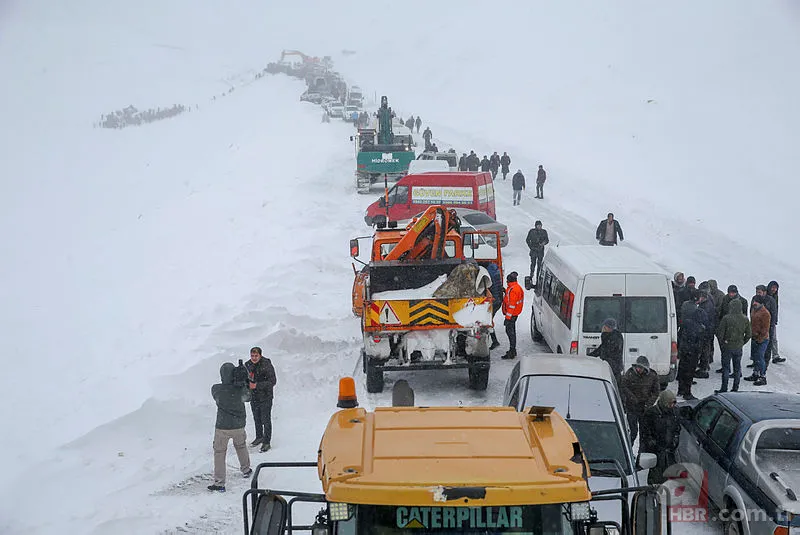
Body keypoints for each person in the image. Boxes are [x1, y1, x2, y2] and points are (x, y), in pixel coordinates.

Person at [208, 362, 252, 492]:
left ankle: (219, 483)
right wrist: (244, 382)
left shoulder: (216, 389)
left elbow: (217, 396)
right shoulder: (240, 390)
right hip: (238, 425)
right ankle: (246, 469)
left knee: (219, 453)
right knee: (241, 446)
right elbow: (248, 397)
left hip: (222, 427)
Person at [640, 390, 680, 484]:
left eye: (673, 403)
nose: (671, 406)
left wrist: (675, 438)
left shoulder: (675, 412)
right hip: (656, 450)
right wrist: (651, 442)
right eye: (669, 403)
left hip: (670, 449)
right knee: (656, 474)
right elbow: (645, 430)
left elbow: (677, 427)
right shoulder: (651, 413)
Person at [244, 347, 277, 452]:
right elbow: (245, 379)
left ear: (260, 355)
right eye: (252, 356)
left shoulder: (266, 365)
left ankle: (266, 442)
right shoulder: (247, 365)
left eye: (256, 356)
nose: (254, 358)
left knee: (266, 420)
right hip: (254, 397)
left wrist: (257, 385)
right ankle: (259, 437)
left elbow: (272, 381)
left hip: (265, 397)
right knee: (256, 418)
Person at [620, 356, 660, 443]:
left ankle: (642, 450)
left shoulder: (652, 376)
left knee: (644, 433)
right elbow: (624, 386)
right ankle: (628, 448)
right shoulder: (630, 373)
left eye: (641, 367)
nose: (638, 369)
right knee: (633, 432)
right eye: (637, 367)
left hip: (644, 409)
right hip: (632, 407)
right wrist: (631, 397)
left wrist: (648, 404)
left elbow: (656, 392)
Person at [714, 299, 751, 393]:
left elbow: (720, 333)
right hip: (738, 347)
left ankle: (724, 388)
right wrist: (742, 342)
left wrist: (723, 343)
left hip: (727, 346)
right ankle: (735, 388)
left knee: (726, 368)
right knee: (737, 368)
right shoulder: (745, 319)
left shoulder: (726, 318)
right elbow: (748, 334)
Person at [676, 293, 707, 400]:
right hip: (692, 353)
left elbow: (679, 335)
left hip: (684, 350)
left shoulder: (686, 323)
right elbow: (700, 343)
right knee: (689, 373)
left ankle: (680, 389)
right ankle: (687, 392)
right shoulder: (700, 328)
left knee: (682, 370)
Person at [588, 318, 624, 386]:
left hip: (613, 368)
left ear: (609, 327)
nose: (603, 328)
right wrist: (589, 356)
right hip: (611, 366)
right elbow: (600, 349)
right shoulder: (610, 336)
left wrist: (604, 334)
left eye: (604, 326)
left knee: (614, 385)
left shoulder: (614, 337)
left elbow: (607, 351)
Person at [745, 295, 771, 386]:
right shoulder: (754, 310)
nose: (754, 303)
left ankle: (763, 376)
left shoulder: (765, 313)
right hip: (754, 337)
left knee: (760, 357)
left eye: (757, 302)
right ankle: (755, 373)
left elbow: (765, 328)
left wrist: (760, 338)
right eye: (754, 301)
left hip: (762, 339)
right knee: (755, 357)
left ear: (761, 303)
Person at [752, 285, 778, 370]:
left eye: (759, 292)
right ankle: (756, 365)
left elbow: (773, 314)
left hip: (767, 327)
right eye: (757, 292)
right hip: (756, 328)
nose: (758, 294)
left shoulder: (771, 300)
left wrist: (770, 327)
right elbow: (751, 311)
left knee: (766, 348)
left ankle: (765, 365)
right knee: (755, 349)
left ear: (765, 292)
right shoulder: (755, 298)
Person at [501, 272, 524, 360]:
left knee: (510, 332)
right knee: (512, 332)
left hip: (512, 316)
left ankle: (512, 351)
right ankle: (513, 350)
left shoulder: (513, 290)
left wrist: (507, 318)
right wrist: (505, 291)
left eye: (507, 281)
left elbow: (511, 306)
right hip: (515, 314)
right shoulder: (516, 287)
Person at [485, 261, 504, 350]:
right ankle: (493, 340)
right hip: (498, 300)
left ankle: (495, 341)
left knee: (488, 321)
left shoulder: (488, 275)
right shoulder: (495, 270)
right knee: (489, 320)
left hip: (494, 301)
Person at [767, 281, 784, 363]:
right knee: (763, 338)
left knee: (773, 338)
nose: (774, 289)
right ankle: (759, 356)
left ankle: (775, 356)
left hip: (772, 321)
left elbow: (775, 308)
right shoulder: (765, 295)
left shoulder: (775, 296)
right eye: (773, 287)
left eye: (776, 288)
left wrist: (775, 319)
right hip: (764, 320)